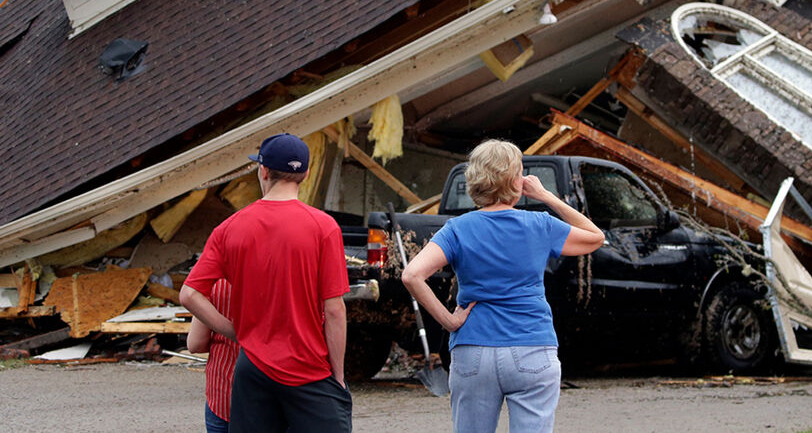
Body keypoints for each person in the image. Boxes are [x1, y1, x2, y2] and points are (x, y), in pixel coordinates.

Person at [401, 139, 605, 433]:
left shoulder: (457, 228)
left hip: (473, 349)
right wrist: (547, 196)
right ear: (515, 180)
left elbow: (412, 275)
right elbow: (594, 237)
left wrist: (449, 321)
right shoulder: (540, 224)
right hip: (532, 347)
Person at [179, 132, 352, 433]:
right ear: (305, 174)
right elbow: (334, 310)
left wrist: (235, 331)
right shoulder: (324, 228)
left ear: (263, 171)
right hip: (309, 367)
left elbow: (190, 294)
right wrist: (337, 374)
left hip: (253, 369)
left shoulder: (229, 228)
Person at [186, 279, 238, 433]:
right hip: (279, 396)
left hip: (225, 394)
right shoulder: (289, 275)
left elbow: (195, 344)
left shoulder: (216, 282)